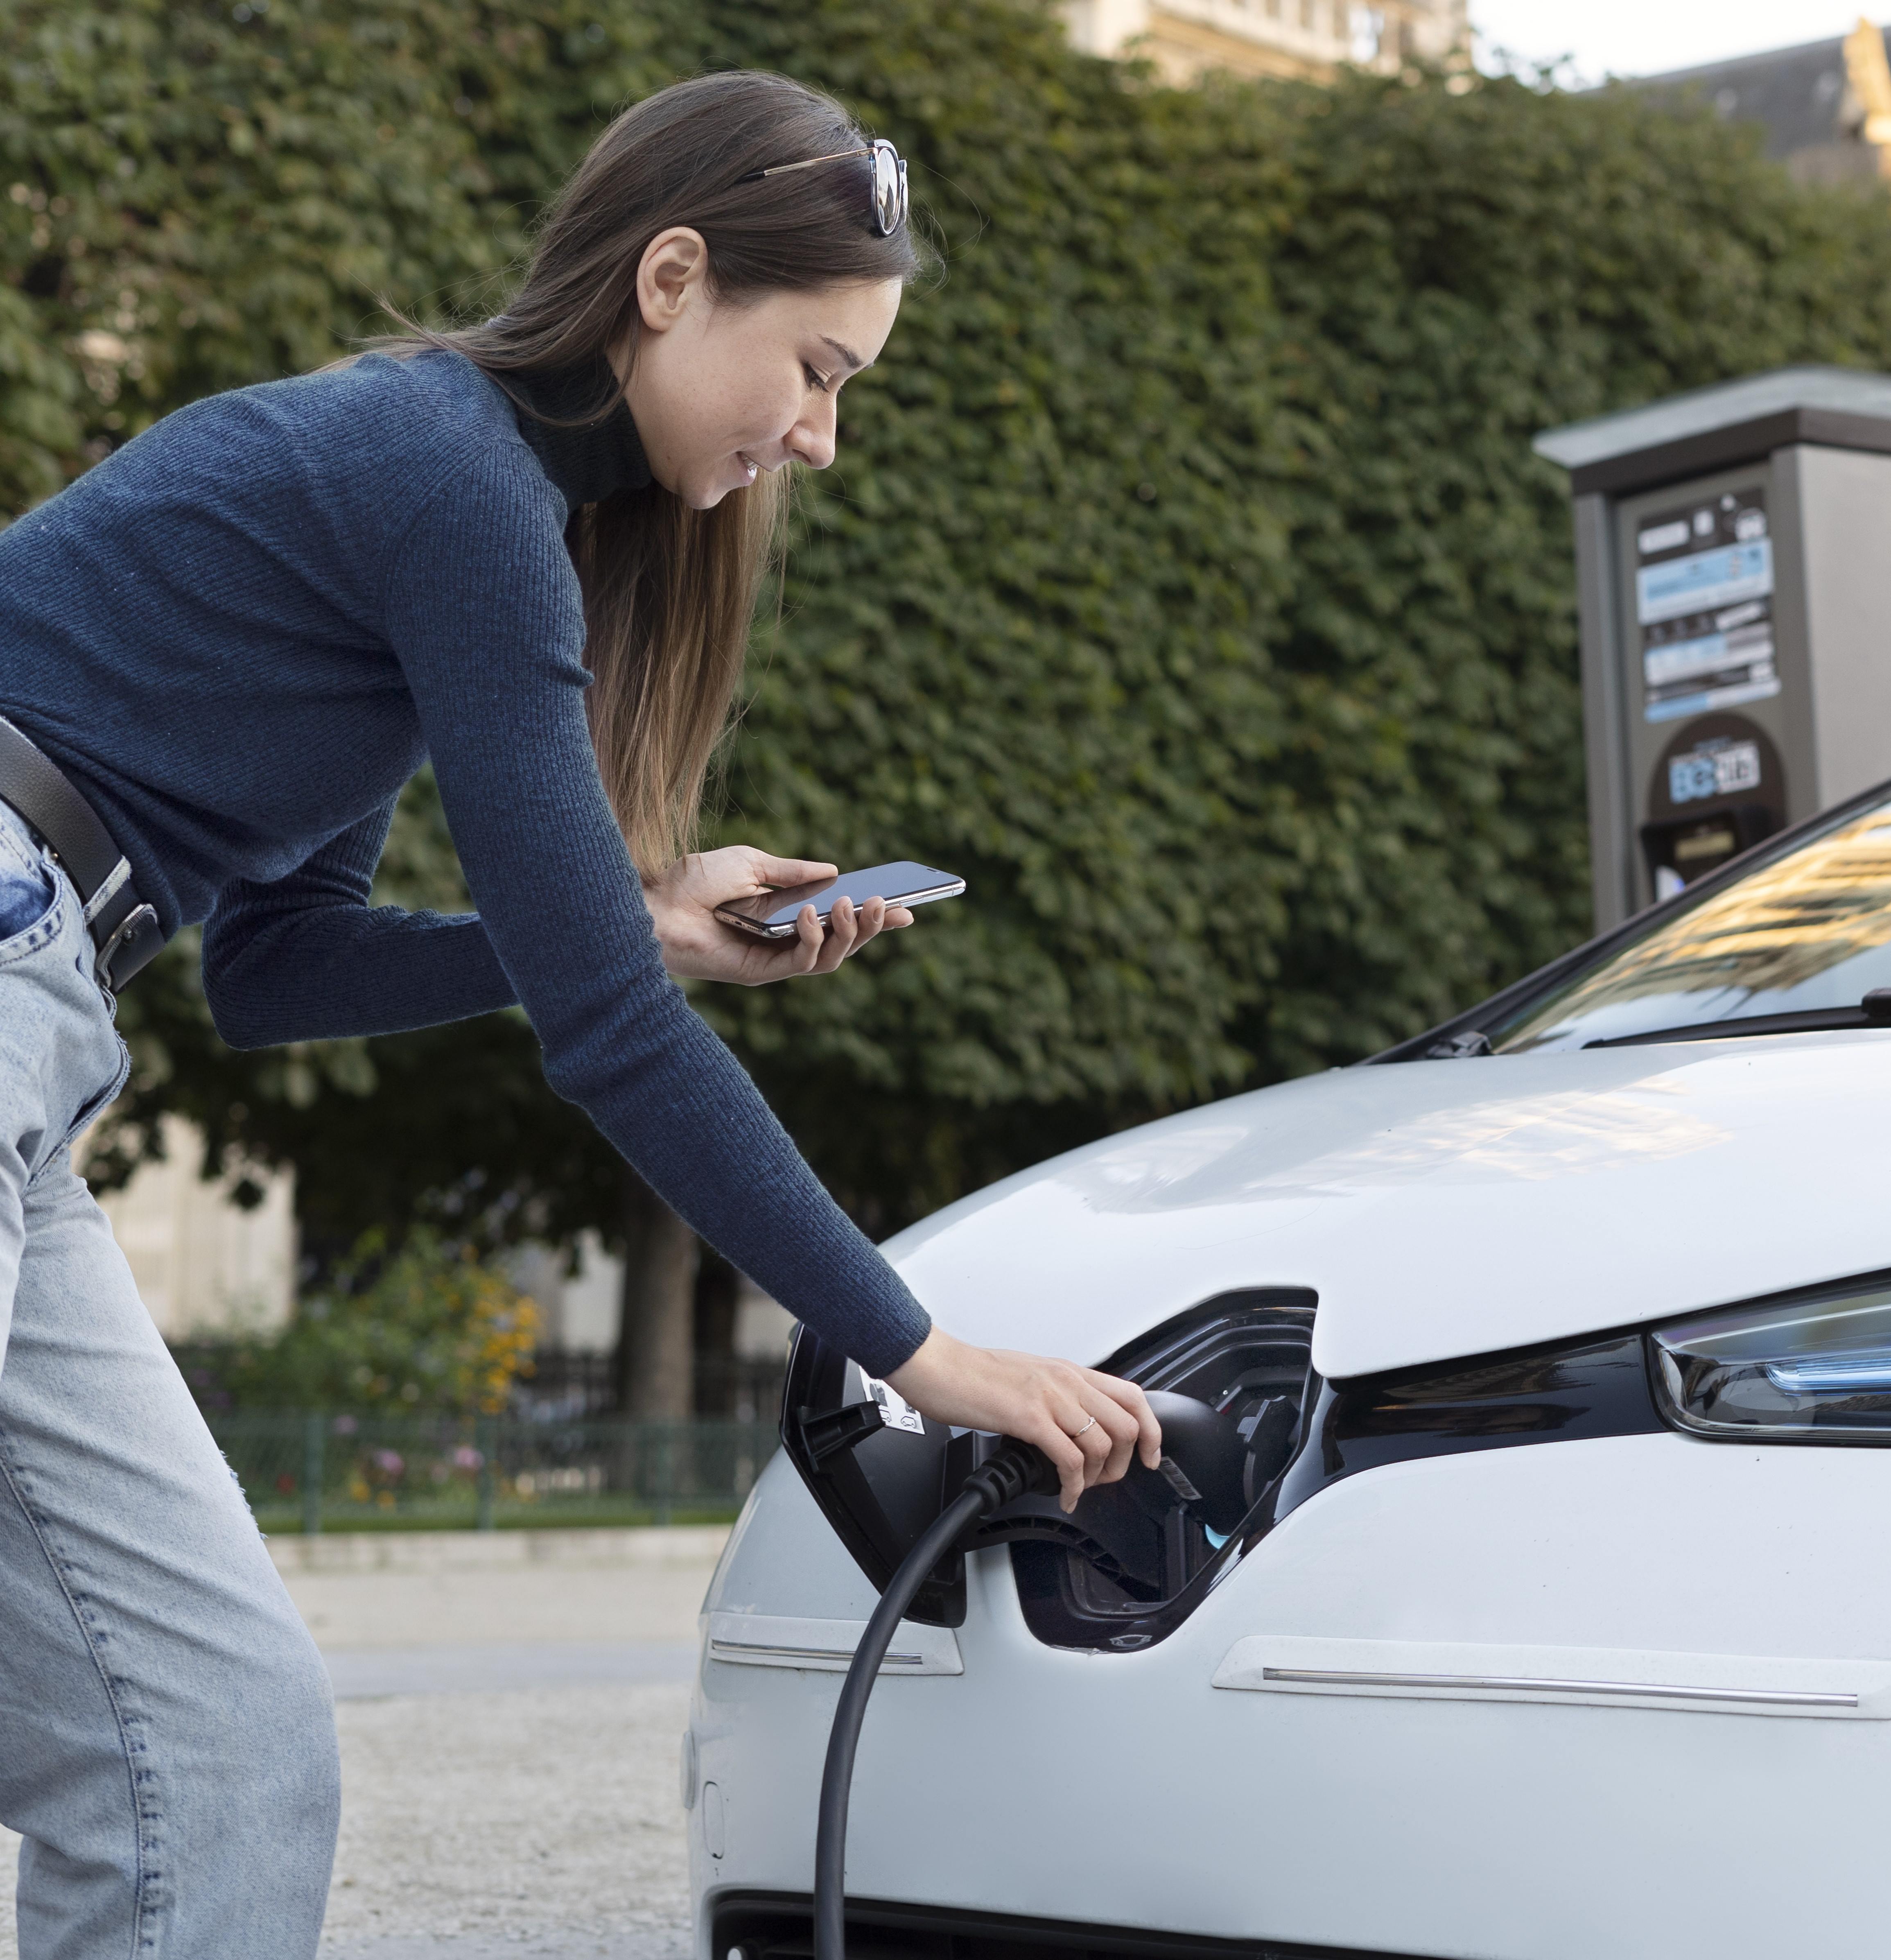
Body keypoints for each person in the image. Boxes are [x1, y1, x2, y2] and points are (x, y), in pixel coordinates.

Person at [0, 70, 1161, 1959]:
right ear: (673, 277)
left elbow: (280, 966)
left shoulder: (447, 510)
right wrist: (919, 1354)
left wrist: (638, 923)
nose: (822, 436)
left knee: (217, 1748)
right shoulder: (443, 476)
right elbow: (604, 1038)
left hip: (41, 1030)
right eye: (820, 369)